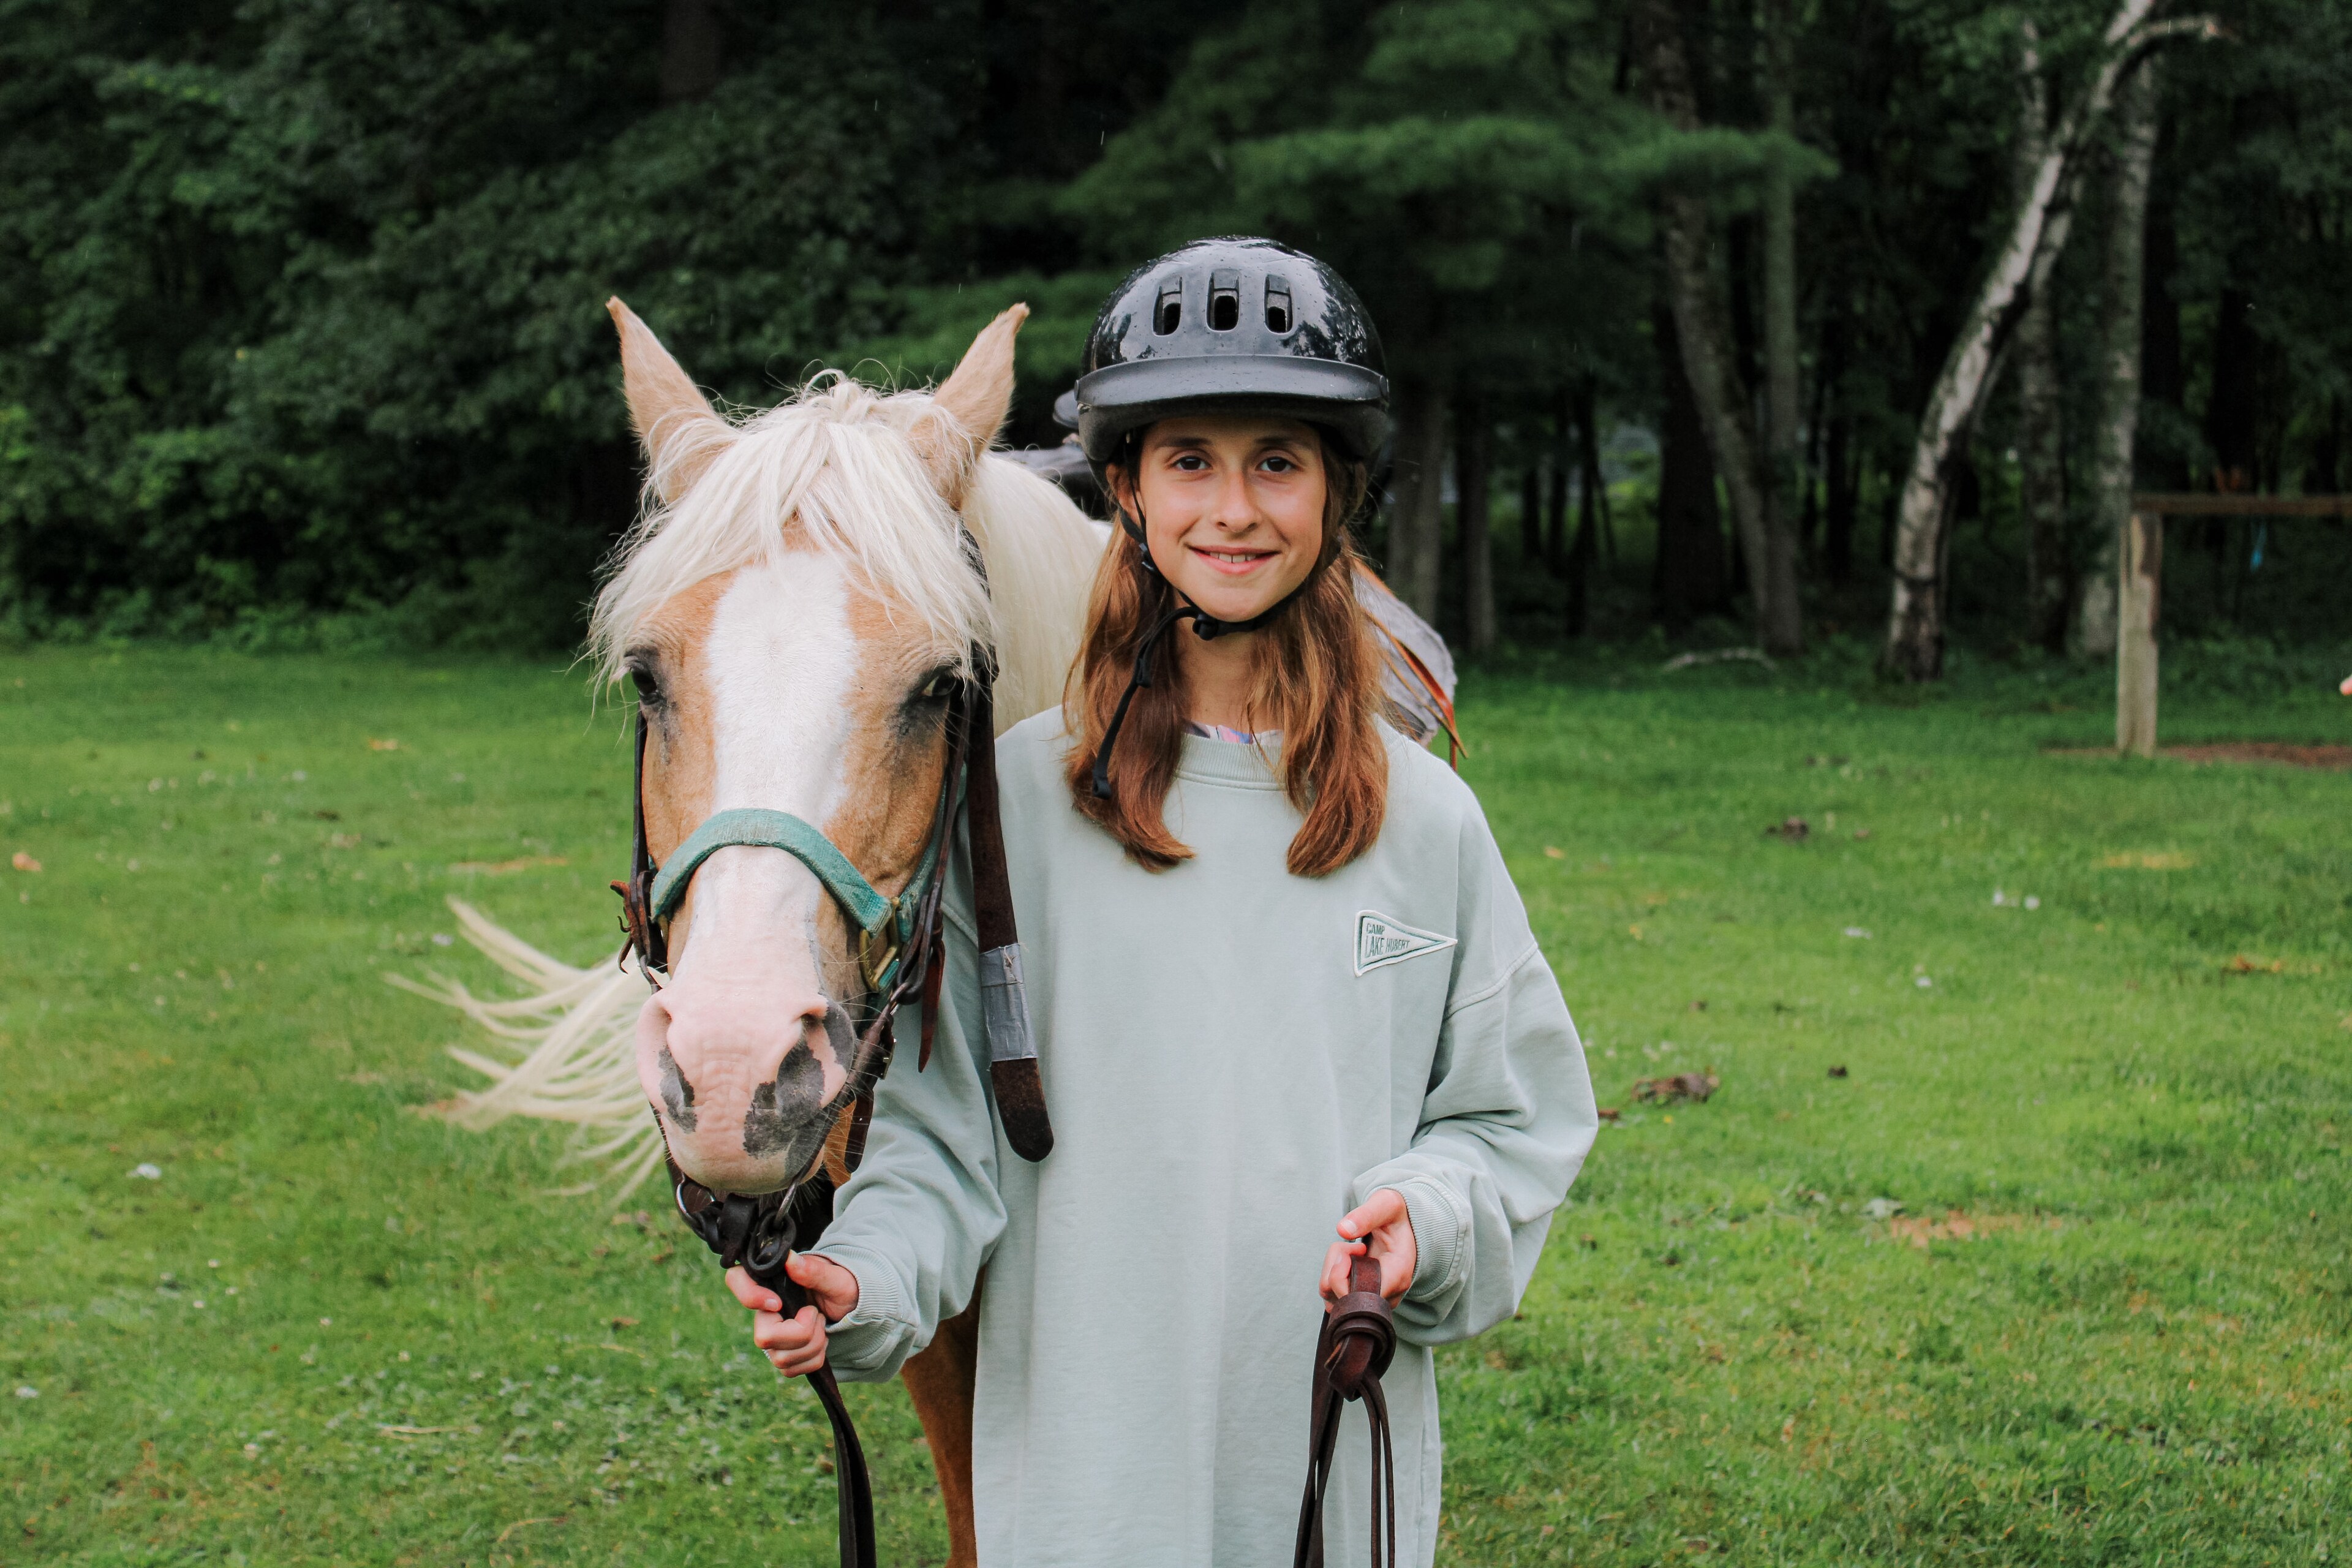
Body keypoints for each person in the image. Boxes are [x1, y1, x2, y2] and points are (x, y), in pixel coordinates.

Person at [725, 237, 1598, 1567]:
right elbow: (949, 1139)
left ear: (1336, 492)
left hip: (1324, 1478)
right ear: (1124, 487)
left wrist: (1428, 1208)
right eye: (1189, 458)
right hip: (1083, 1495)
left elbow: (1512, 1115)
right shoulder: (1012, 806)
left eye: (1277, 461)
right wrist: (865, 1277)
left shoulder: (1428, 823)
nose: (1233, 507)